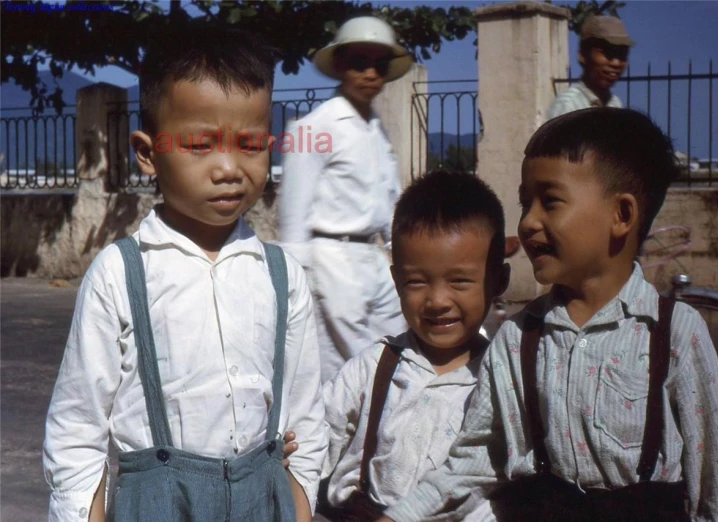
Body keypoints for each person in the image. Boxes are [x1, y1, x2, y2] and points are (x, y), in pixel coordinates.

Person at [378, 108, 718, 522]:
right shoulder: (518, 339)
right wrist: (400, 516)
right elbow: (478, 457)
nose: (529, 221)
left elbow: (715, 478)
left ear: (621, 215)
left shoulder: (673, 332)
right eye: (525, 203)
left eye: (550, 202)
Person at [43, 25, 326, 522]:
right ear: (148, 153)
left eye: (251, 144)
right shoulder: (120, 275)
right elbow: (77, 428)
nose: (229, 167)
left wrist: (300, 506)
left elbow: (306, 416)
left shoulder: (282, 277)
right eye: (200, 144)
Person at [315, 170, 510, 522]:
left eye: (459, 281)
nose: (437, 301)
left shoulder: (501, 382)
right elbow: (316, 434)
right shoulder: (375, 367)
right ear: (396, 280)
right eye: (417, 282)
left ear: (498, 280)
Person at [277, 16, 411, 382]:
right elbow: (292, 213)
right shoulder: (312, 128)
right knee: (346, 372)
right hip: (332, 261)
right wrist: (297, 283)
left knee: (393, 357)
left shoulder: (375, 129)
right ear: (339, 66)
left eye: (379, 65)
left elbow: (389, 200)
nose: (370, 73)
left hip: (374, 258)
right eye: (359, 62)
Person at [545, 15, 633, 121]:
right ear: (582, 55)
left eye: (622, 54)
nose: (616, 63)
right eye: (607, 53)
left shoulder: (615, 104)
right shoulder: (568, 107)